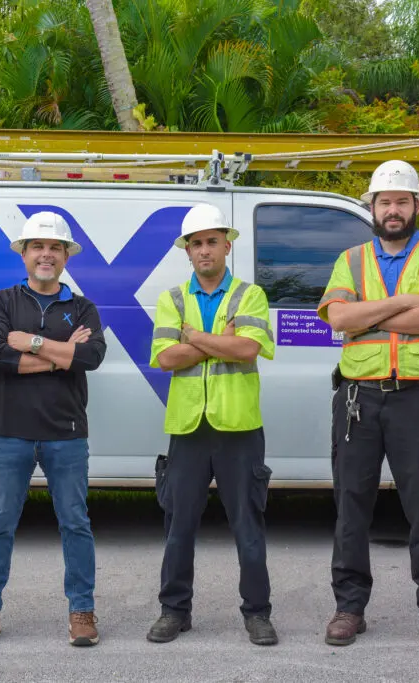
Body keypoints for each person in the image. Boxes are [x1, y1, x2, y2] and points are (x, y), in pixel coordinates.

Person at [317, 160, 419, 654]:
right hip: (359, 399)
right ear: (372, 207)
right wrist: (406, 303)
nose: (394, 209)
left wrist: (373, 316)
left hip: (418, 398)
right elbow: (339, 318)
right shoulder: (352, 258)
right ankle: (349, 609)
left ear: (416, 205)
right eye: (385, 201)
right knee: (351, 508)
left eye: (402, 201)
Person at [0, 211, 107, 649]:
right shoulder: (2, 302)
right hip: (9, 430)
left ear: (65, 257)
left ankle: (82, 611)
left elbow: (91, 358)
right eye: (38, 247)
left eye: (55, 248)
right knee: (0, 524)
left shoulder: (82, 307)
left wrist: (32, 342)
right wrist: (62, 353)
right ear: (24, 254)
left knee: (76, 524)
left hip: (66, 431)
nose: (46, 254)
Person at [146, 203, 278, 646]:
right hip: (187, 428)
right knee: (178, 526)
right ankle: (174, 611)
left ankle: (257, 613)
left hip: (239, 427)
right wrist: (223, 340)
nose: (204, 250)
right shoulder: (172, 298)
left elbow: (248, 349)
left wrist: (196, 338)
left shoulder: (250, 294)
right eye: (196, 243)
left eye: (211, 241)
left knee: (247, 525)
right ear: (187, 251)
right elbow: (166, 358)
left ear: (227, 244)